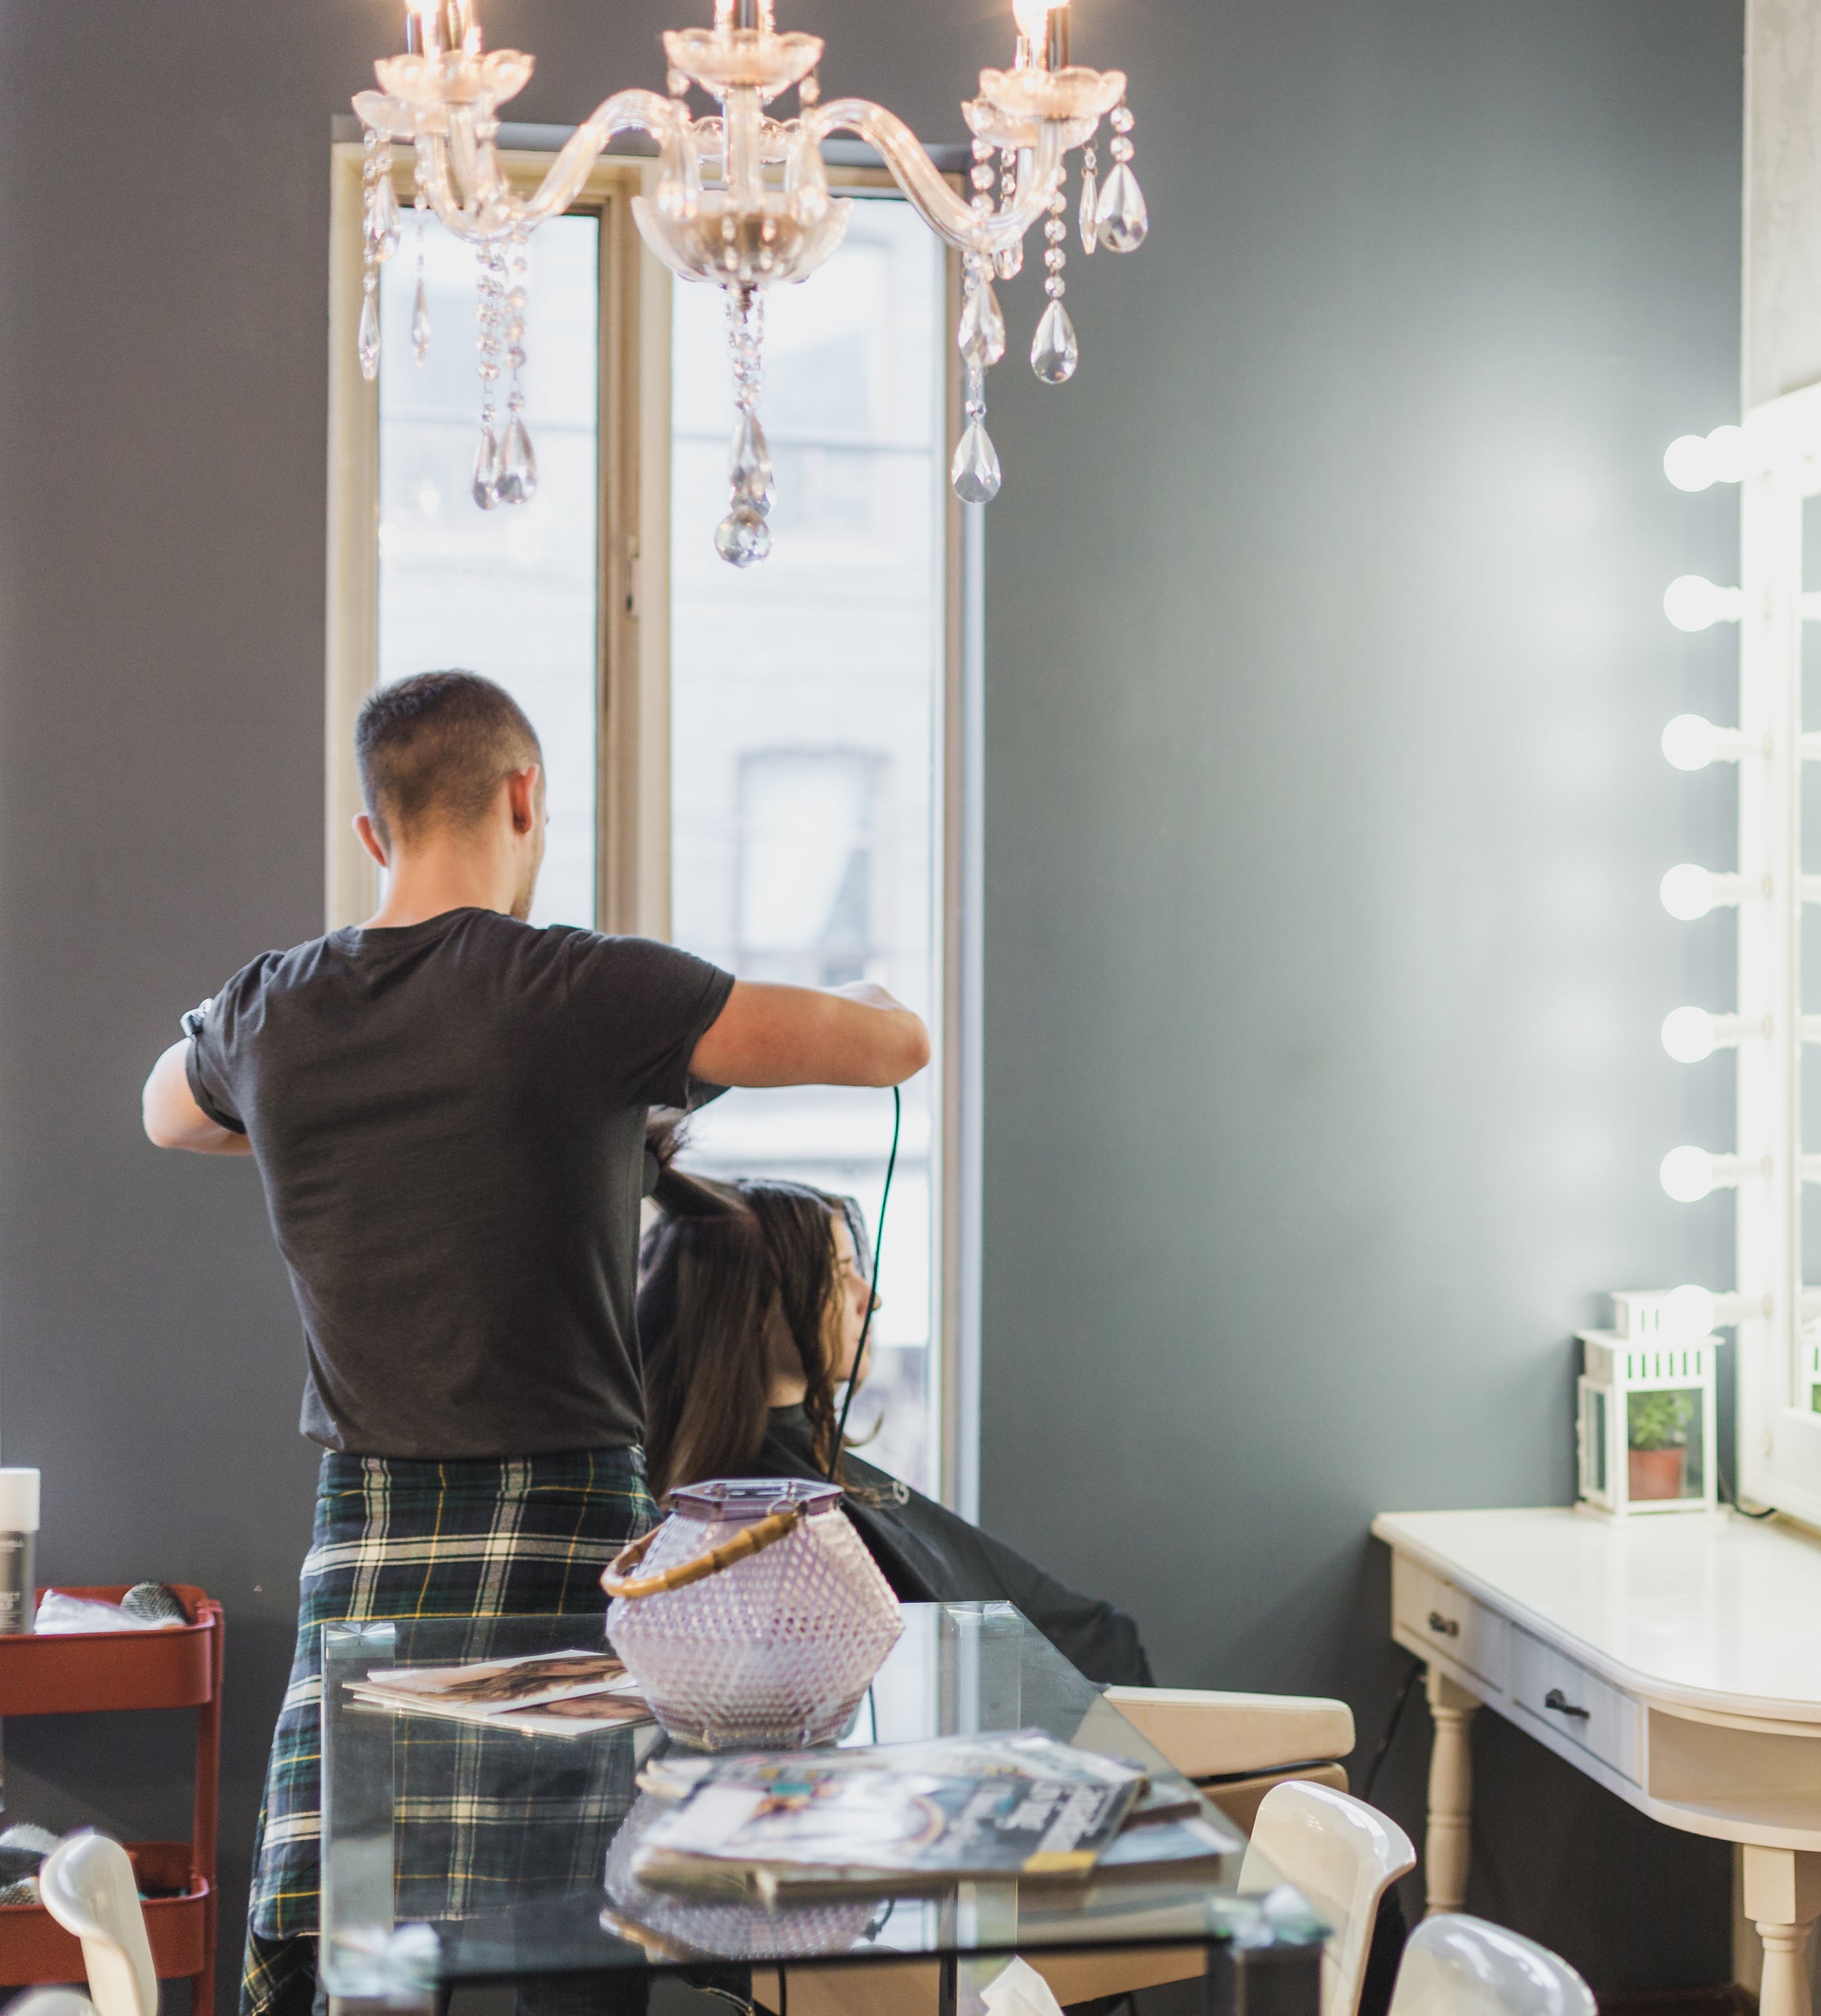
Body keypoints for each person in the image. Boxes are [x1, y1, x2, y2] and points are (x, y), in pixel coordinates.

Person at [141, 671, 929, 2016]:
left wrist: (303, 1109)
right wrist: (870, 991)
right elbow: (888, 1047)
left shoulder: (272, 1010)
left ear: (373, 829)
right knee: (582, 1951)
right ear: (525, 797)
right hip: (568, 1543)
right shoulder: (585, 990)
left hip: (371, 1549)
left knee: (371, 1951)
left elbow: (167, 1110)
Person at [635, 1121, 1153, 1685]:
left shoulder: (793, 1479)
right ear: (753, 1311)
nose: (872, 1298)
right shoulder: (756, 1518)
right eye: (841, 1275)